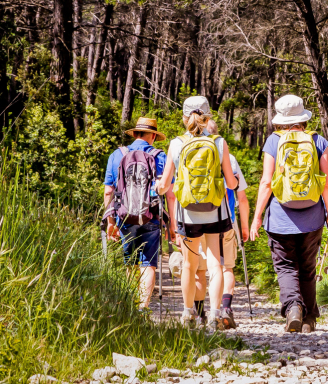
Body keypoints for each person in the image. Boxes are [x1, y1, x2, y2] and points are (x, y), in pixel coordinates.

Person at [250, 94, 328, 333]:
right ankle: (309, 319)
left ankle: (293, 309)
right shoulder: (318, 140)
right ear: (303, 118)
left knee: (286, 266)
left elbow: (266, 182)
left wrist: (257, 217)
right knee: (308, 267)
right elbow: (327, 183)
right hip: (312, 217)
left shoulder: (273, 141)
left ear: (281, 120)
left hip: (280, 217)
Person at [156, 96, 238, 328]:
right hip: (215, 212)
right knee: (215, 265)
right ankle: (214, 314)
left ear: (184, 118)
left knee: (190, 266)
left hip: (187, 214)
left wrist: (158, 187)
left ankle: (188, 313)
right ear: (208, 116)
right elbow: (231, 184)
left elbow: (165, 185)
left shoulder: (176, 144)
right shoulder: (219, 143)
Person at [102, 117, 169, 313]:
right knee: (148, 264)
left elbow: (108, 191)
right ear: (154, 136)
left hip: (124, 216)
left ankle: (129, 306)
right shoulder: (160, 156)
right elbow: (169, 193)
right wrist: (171, 225)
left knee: (129, 261)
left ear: (135, 134)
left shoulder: (117, 155)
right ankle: (143, 309)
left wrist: (110, 222)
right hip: (152, 217)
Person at [190, 118, 250, 330]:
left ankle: (197, 315)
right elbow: (241, 196)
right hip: (224, 219)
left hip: (193, 219)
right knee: (226, 267)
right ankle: (224, 310)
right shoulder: (229, 157)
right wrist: (244, 226)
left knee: (199, 269)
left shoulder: (188, 150)